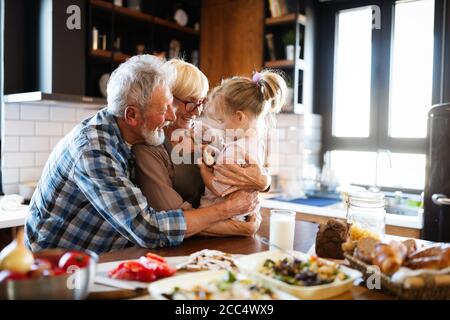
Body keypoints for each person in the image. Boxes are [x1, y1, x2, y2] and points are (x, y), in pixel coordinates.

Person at [24, 55, 258, 253]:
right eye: (163, 109)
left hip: (106, 255)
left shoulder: (135, 136)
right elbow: (148, 229)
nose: (170, 116)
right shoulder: (94, 150)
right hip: (55, 268)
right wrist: (228, 210)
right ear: (132, 116)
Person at [133, 60, 270, 237]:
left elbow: (243, 172)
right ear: (166, 99)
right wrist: (239, 226)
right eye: (190, 102)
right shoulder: (149, 149)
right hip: (176, 248)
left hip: (217, 246)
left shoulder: (205, 133)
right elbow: (172, 222)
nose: (197, 113)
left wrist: (264, 182)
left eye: (201, 102)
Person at [198, 71, 287, 220]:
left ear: (239, 117)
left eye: (221, 121)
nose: (220, 127)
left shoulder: (235, 149)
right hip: (241, 216)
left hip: (220, 216)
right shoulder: (257, 144)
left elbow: (219, 188)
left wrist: (203, 169)